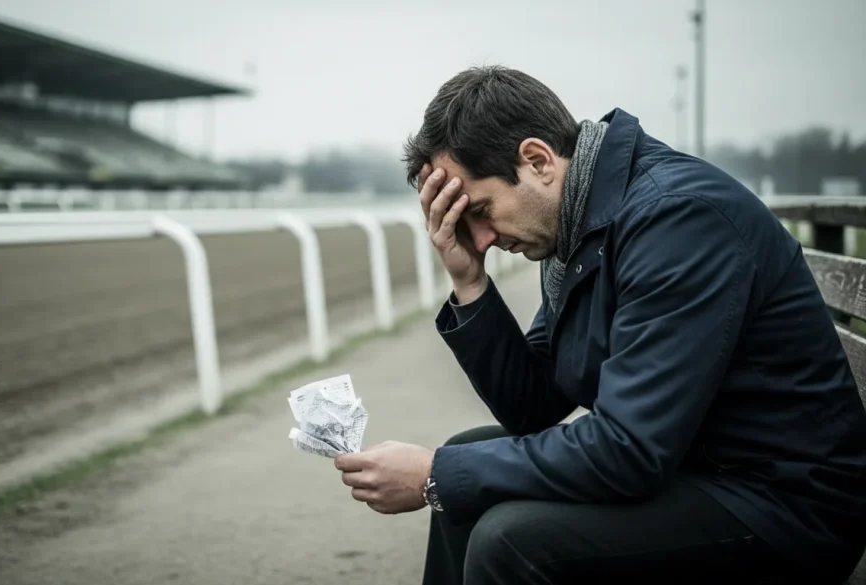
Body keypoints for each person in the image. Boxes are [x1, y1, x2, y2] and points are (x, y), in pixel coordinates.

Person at [332, 64, 866, 584]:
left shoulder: (676, 219)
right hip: (697, 467)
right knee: (467, 457)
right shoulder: (580, 222)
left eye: (482, 210)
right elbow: (532, 408)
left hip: (784, 507)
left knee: (509, 537)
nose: (484, 238)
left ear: (538, 159)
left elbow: (628, 450)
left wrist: (433, 475)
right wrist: (470, 282)